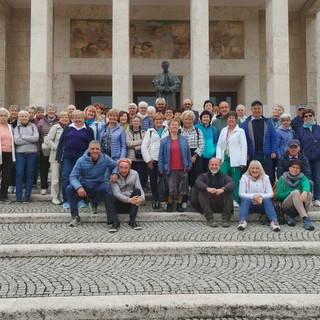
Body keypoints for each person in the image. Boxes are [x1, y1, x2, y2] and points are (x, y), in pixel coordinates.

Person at [66, 141, 118, 227]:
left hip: (98, 185)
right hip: (84, 185)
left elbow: (115, 165)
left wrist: (115, 173)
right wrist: (78, 187)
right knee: (69, 188)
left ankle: (94, 204)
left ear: (100, 150)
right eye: (92, 149)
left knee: (106, 187)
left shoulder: (105, 158)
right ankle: (75, 217)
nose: (95, 151)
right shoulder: (81, 160)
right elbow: (72, 176)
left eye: (97, 149)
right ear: (89, 150)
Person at [56, 110, 95, 209]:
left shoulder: (88, 130)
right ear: (73, 118)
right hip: (67, 156)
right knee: (66, 178)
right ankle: (66, 200)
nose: (77, 119)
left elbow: (91, 145)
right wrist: (59, 157)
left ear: (83, 118)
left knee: (80, 178)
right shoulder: (68, 128)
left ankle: (80, 199)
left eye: (80, 118)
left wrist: (90, 157)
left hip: (82, 157)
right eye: (75, 118)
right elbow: (61, 143)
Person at [241, 99, 278, 186]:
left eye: (259, 108)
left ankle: (268, 196)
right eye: (255, 108)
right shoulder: (245, 123)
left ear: (261, 109)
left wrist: (274, 151)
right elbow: (243, 140)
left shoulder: (268, 122)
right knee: (252, 175)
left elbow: (273, 137)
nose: (257, 110)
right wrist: (245, 153)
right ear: (251, 109)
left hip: (266, 154)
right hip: (252, 154)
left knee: (267, 175)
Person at [158, 119, 192, 212]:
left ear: (179, 127)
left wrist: (189, 163)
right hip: (169, 168)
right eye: (172, 125)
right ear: (169, 127)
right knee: (170, 187)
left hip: (182, 167)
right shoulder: (164, 140)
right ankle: (170, 204)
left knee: (182, 187)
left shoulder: (184, 139)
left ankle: (179, 204)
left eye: (176, 125)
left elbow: (188, 153)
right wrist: (160, 167)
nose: (174, 126)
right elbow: (161, 155)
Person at [238, 160, 281, 232]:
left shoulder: (266, 178)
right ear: (249, 169)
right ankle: (242, 221)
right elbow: (241, 193)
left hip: (262, 205)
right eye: (253, 168)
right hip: (249, 205)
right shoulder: (244, 177)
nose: (255, 170)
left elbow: (271, 194)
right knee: (245, 199)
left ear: (260, 169)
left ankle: (274, 222)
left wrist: (260, 197)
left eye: (257, 168)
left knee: (267, 199)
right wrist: (253, 196)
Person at [216, 111, 247, 207]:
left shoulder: (240, 131)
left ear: (236, 119)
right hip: (225, 157)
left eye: (233, 118)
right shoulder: (223, 130)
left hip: (236, 159)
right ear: (227, 120)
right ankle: (221, 198)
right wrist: (218, 158)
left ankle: (234, 199)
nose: (231, 119)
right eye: (229, 118)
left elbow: (244, 146)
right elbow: (219, 145)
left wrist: (242, 161)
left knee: (235, 180)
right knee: (221, 177)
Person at [106, 158, 145, 233]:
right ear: (118, 167)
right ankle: (115, 222)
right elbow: (116, 193)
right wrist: (129, 200)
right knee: (108, 196)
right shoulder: (114, 176)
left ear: (129, 167)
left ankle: (132, 221)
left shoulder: (135, 174)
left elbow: (139, 187)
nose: (123, 170)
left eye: (126, 168)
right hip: (119, 204)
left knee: (137, 191)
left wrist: (141, 199)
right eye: (121, 167)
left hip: (131, 205)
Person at [195, 158, 235, 228]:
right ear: (208, 165)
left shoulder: (224, 176)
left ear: (219, 165)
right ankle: (210, 219)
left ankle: (226, 219)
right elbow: (197, 182)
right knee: (201, 191)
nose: (214, 166)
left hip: (221, 203)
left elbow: (232, 183)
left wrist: (223, 189)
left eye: (216, 164)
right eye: (212, 164)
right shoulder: (203, 176)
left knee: (229, 191)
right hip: (207, 204)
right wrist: (207, 188)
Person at [276, 159, 315, 230]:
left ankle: (291, 216)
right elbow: (279, 195)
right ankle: (305, 219)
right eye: (293, 167)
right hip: (286, 205)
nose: (295, 169)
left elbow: (306, 185)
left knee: (309, 193)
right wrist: (289, 193)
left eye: (297, 168)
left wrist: (305, 192)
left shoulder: (303, 178)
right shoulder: (282, 178)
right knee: (296, 192)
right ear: (289, 168)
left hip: (300, 205)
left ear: (300, 170)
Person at [141, 112, 169, 209]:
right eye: (156, 119)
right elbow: (144, 147)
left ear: (163, 120)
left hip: (165, 160)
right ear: (153, 121)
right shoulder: (150, 131)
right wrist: (148, 160)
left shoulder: (168, 130)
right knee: (153, 181)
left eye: (160, 119)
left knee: (165, 181)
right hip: (153, 160)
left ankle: (163, 199)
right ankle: (155, 199)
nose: (159, 121)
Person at [295, 108, 320, 206]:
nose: (308, 117)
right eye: (306, 116)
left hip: (317, 156)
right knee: (307, 178)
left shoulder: (318, 128)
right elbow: (297, 144)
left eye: (310, 115)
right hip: (305, 157)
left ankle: (317, 197)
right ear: (303, 118)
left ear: (314, 116)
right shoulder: (300, 130)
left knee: (317, 177)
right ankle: (309, 197)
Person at [44, 111, 70, 205]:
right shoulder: (55, 127)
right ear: (59, 118)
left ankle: (62, 196)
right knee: (55, 177)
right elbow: (47, 139)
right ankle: (54, 196)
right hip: (55, 156)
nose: (65, 118)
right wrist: (56, 147)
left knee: (64, 177)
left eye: (66, 117)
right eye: (63, 117)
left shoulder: (71, 128)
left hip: (67, 156)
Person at [180, 110, 204, 209]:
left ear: (193, 120)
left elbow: (202, 145)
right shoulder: (179, 131)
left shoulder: (198, 131)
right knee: (185, 180)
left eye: (190, 119)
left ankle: (196, 200)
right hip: (183, 156)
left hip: (196, 157)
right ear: (183, 120)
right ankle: (184, 200)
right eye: (186, 119)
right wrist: (186, 158)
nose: (187, 121)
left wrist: (194, 156)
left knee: (196, 179)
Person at [14, 110, 39, 202]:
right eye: (22, 116)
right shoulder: (17, 128)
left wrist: (23, 137)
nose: (24, 118)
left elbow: (36, 138)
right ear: (19, 118)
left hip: (32, 153)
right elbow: (16, 141)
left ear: (29, 118)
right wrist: (30, 140)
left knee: (30, 175)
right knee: (19, 174)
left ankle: (27, 196)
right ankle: (18, 197)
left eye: (26, 116)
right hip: (20, 154)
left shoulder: (33, 127)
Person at [37, 103, 59, 195]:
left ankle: (56, 188)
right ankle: (44, 187)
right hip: (44, 148)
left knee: (56, 169)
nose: (51, 111)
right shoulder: (41, 122)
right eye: (49, 109)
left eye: (53, 109)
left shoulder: (59, 121)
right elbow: (38, 136)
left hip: (56, 148)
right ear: (47, 111)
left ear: (55, 111)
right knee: (44, 168)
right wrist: (38, 149)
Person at [126, 115, 148, 192]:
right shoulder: (127, 132)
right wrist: (141, 142)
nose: (136, 122)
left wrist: (135, 146)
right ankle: (132, 188)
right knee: (131, 175)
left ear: (140, 122)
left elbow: (146, 143)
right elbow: (128, 144)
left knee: (141, 174)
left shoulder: (144, 132)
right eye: (134, 121)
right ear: (131, 122)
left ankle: (141, 188)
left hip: (141, 157)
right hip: (131, 157)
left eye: (137, 121)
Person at [0, 108, 15, 203]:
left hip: (9, 154)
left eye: (5, 115)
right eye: (1, 115)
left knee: (6, 175)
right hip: (0, 153)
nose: (3, 117)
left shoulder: (10, 127)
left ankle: (3, 196)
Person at [7, 105, 19, 194]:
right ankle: (10, 184)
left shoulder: (20, 121)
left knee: (16, 167)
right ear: (9, 111)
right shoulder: (6, 121)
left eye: (16, 110)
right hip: (8, 147)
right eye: (12, 110)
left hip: (18, 147)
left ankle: (16, 185)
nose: (14, 112)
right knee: (9, 166)